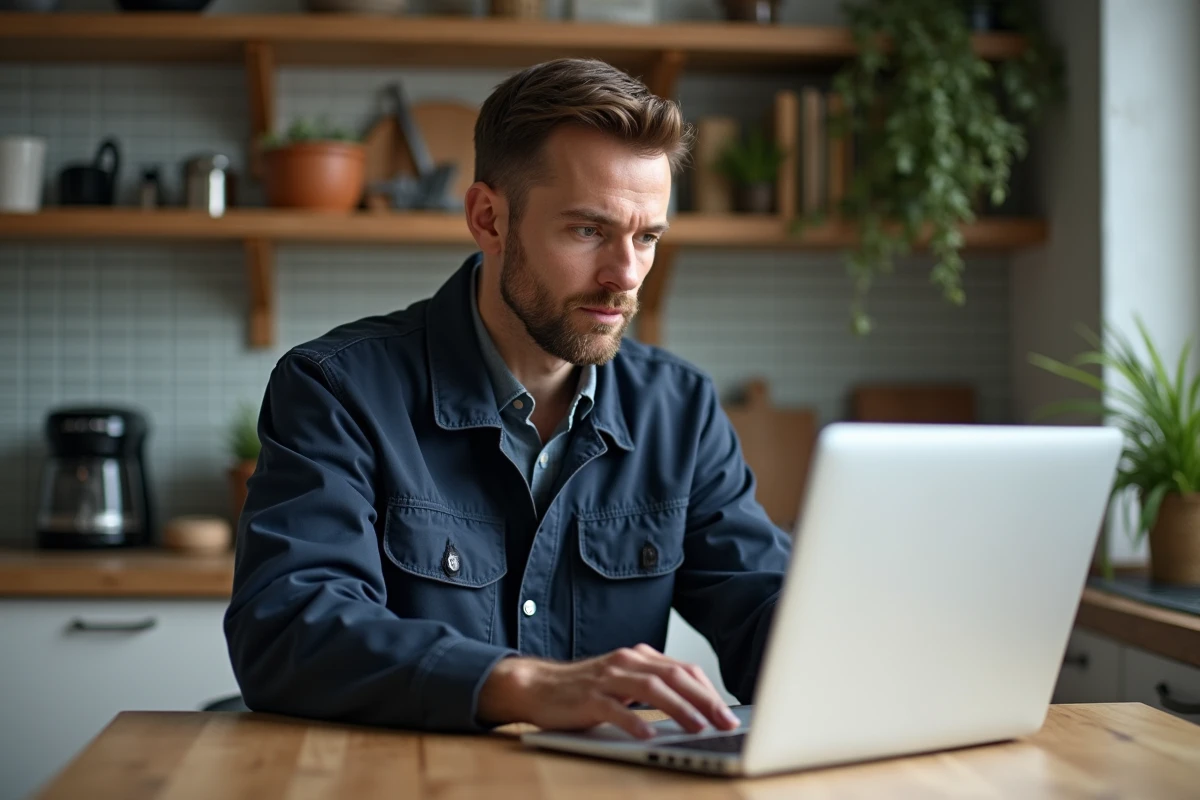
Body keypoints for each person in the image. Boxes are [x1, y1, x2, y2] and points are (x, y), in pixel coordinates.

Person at [224, 57, 791, 742]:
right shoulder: (337, 389)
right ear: (488, 219)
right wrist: (521, 684)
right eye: (588, 231)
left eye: (647, 238)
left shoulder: (682, 409)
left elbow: (766, 607)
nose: (624, 276)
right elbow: (287, 628)